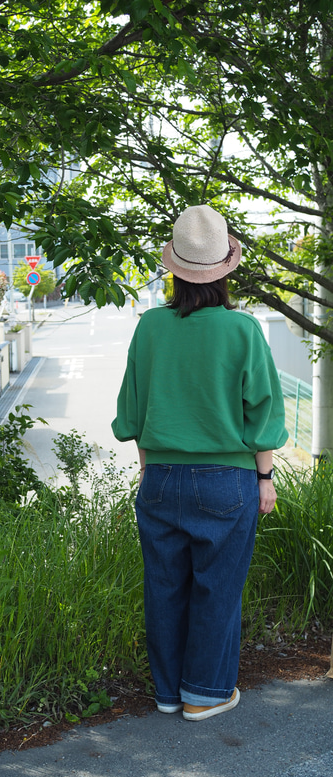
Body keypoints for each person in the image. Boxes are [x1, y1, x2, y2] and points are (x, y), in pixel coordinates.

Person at [112, 204, 288, 722]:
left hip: (161, 478)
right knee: (218, 587)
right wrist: (265, 476)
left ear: (175, 268)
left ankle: (168, 692)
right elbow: (264, 411)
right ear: (225, 268)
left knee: (164, 587)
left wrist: (150, 468)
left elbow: (134, 409)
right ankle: (204, 694)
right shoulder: (243, 330)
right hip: (229, 479)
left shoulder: (149, 327)